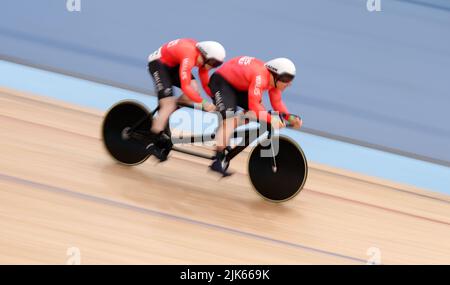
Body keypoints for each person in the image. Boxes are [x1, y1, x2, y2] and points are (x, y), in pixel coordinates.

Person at [208, 56, 302, 176]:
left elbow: (277, 103)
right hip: (222, 82)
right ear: (275, 74)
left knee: (254, 114)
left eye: (290, 79)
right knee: (230, 118)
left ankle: (227, 131)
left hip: (239, 86)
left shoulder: (274, 81)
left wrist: (291, 118)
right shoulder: (260, 77)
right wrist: (271, 119)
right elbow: (253, 104)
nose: (288, 83)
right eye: (286, 78)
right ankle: (217, 160)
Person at [147, 38, 226, 161]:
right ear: (204, 55)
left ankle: (166, 114)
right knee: (168, 104)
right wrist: (204, 103)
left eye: (216, 64)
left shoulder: (202, 57)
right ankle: (151, 143)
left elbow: (205, 84)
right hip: (158, 64)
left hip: (174, 64)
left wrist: (217, 101)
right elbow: (185, 86)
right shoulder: (189, 55)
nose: (212, 66)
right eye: (212, 62)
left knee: (195, 90)